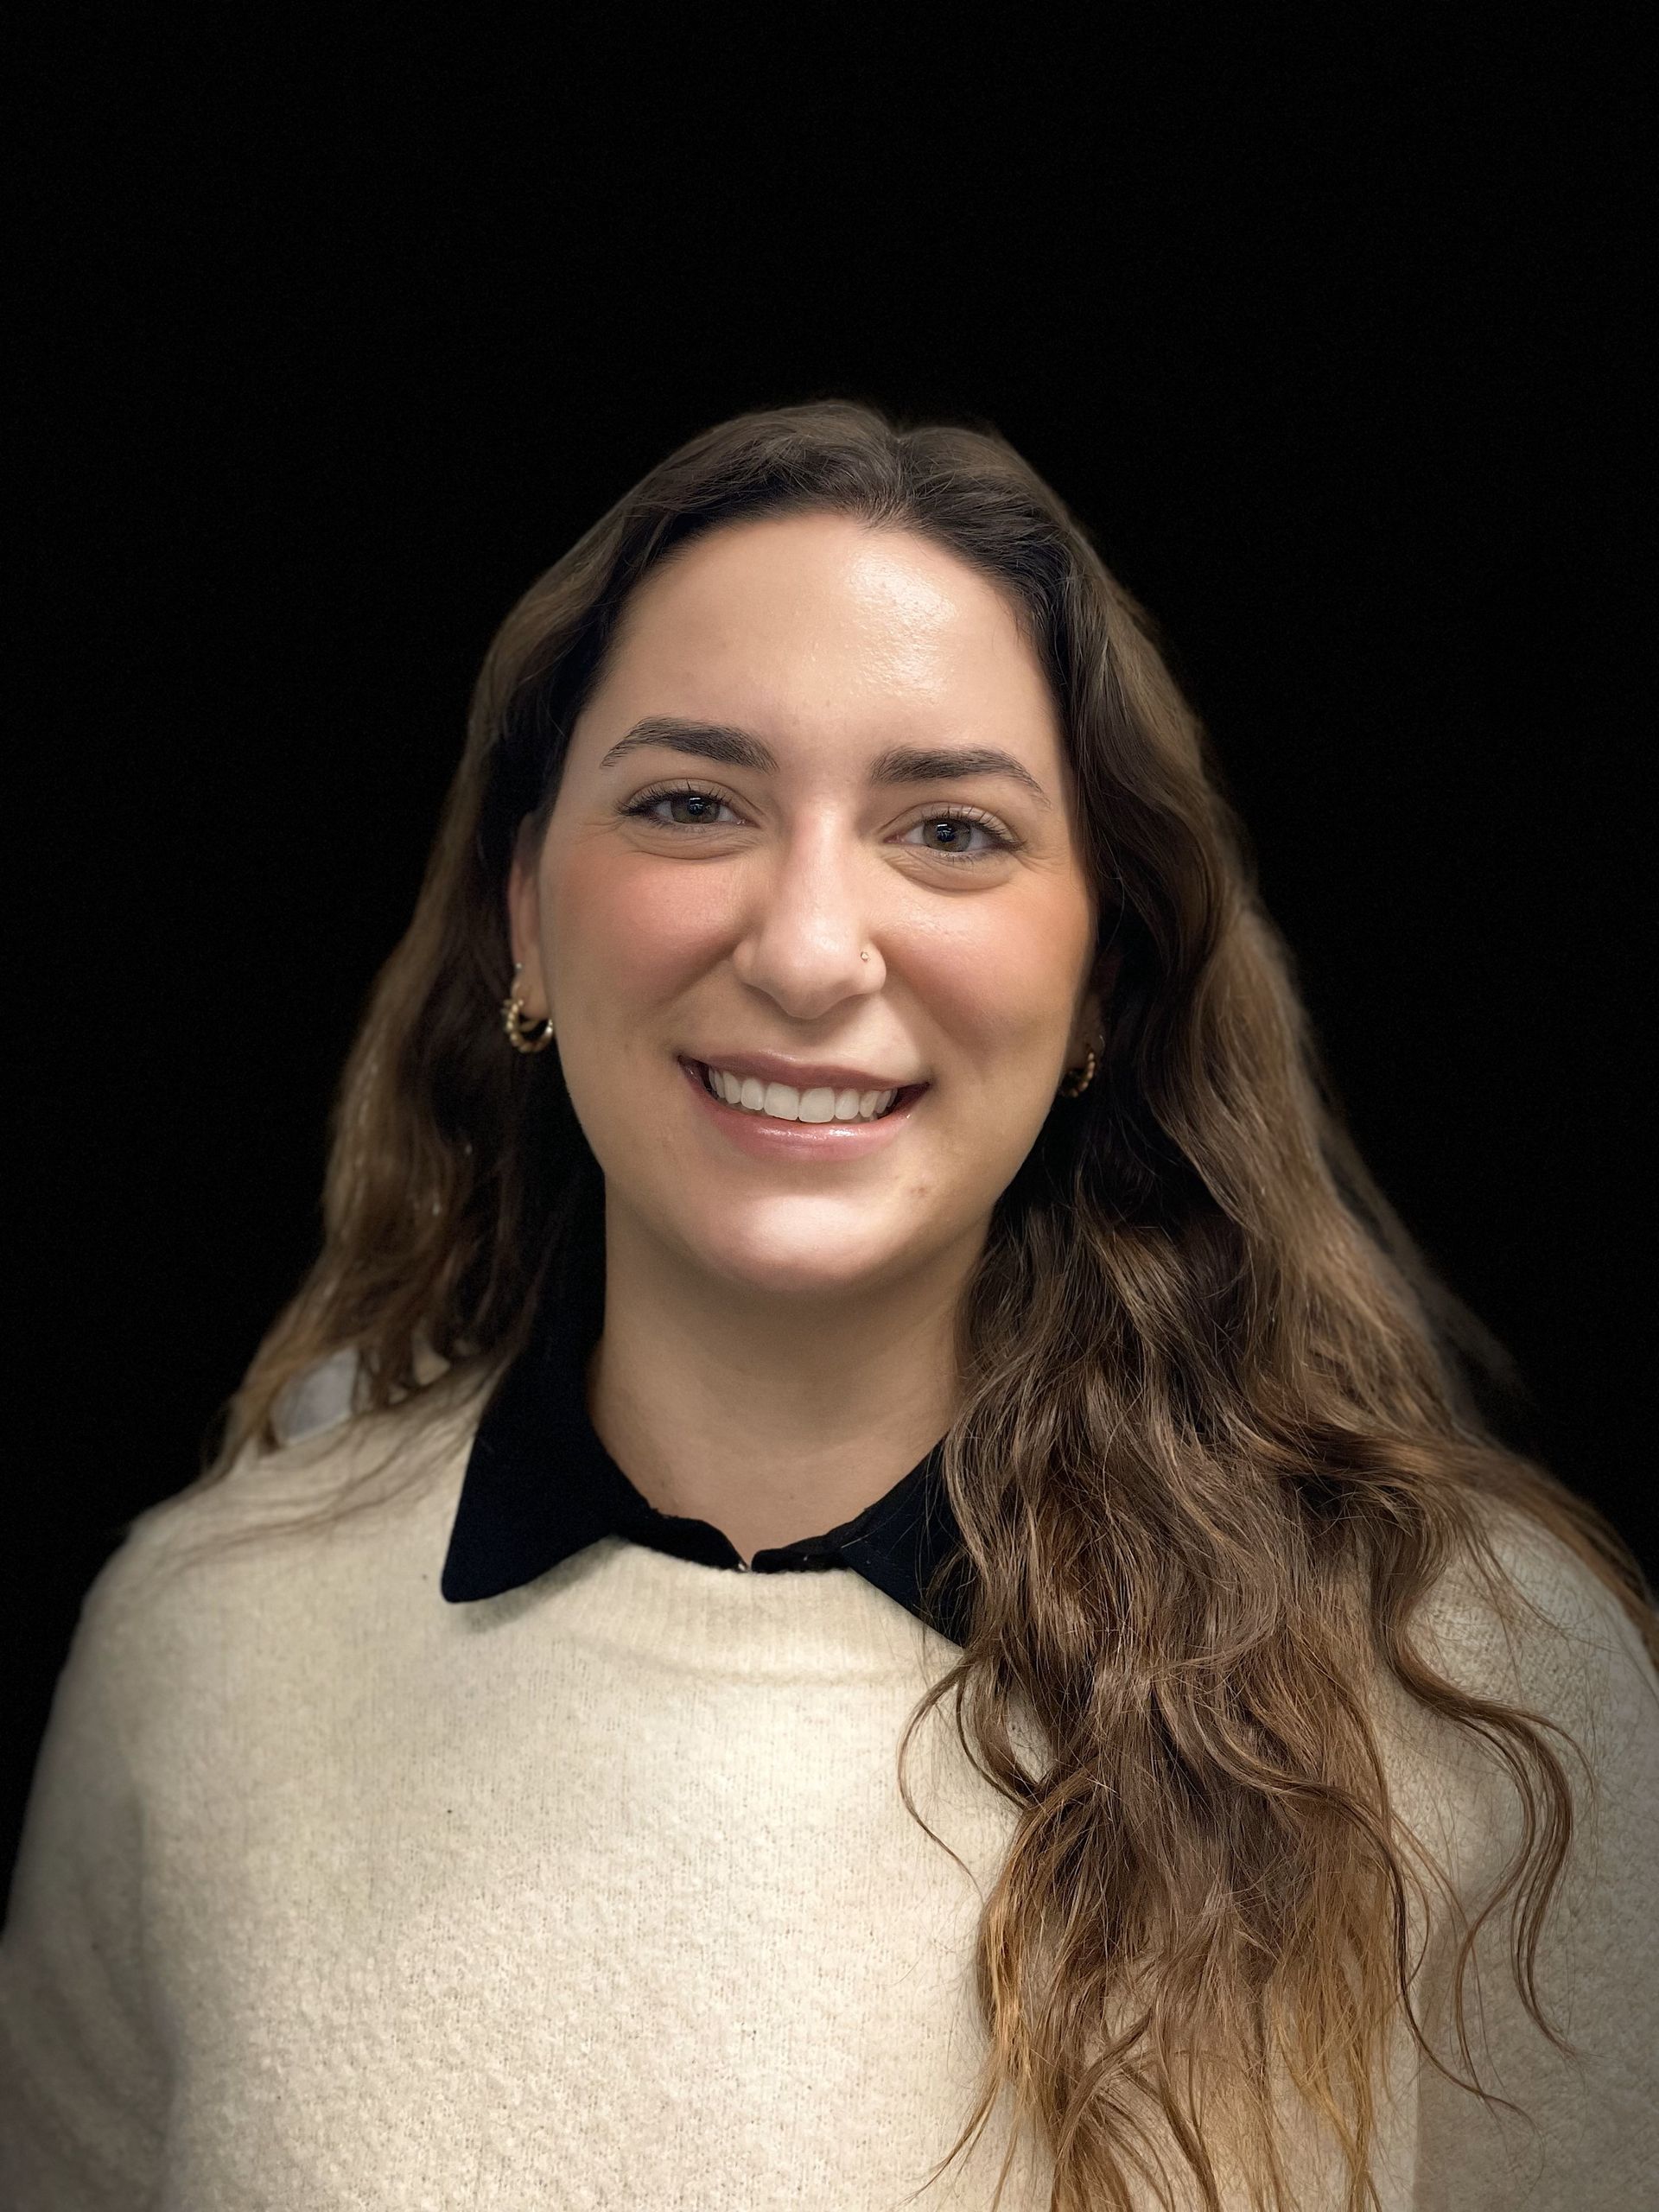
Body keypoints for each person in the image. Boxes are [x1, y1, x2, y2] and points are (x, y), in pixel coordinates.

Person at [2, 399, 1655, 2212]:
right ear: (527, 915)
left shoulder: (1478, 1689)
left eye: (949, 828)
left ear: (1103, 976)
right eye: (690, 803)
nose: (804, 949)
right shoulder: (208, 1649)